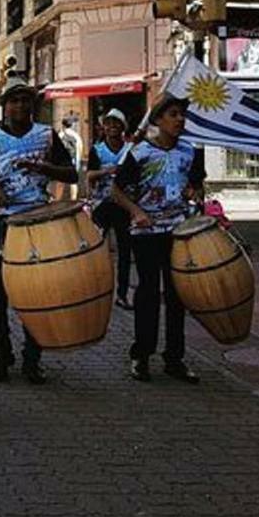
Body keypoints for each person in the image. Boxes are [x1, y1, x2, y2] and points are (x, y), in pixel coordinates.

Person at [0, 75, 78, 385]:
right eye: (14, 100)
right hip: (1, 222)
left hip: (38, 221)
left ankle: (33, 357)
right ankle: (2, 355)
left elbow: (71, 174)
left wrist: (45, 168)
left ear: (33, 105)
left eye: (25, 100)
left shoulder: (47, 136)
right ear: (4, 106)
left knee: (37, 290)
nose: (20, 105)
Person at [112, 94, 204, 384]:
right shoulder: (139, 153)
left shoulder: (190, 151)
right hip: (146, 233)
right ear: (158, 120)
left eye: (182, 115)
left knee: (178, 297)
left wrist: (194, 193)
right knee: (149, 294)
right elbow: (117, 191)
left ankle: (174, 358)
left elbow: (196, 185)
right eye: (173, 114)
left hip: (179, 232)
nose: (180, 120)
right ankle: (141, 355)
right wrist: (136, 211)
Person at [87, 108, 134, 310]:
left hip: (123, 205)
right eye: (108, 123)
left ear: (123, 127)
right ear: (103, 127)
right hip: (102, 205)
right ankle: (93, 291)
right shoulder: (97, 150)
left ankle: (122, 294)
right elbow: (89, 175)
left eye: (116, 123)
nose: (112, 127)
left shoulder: (130, 150)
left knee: (125, 251)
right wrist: (108, 170)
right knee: (95, 249)